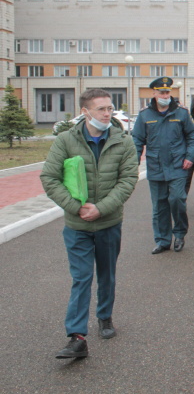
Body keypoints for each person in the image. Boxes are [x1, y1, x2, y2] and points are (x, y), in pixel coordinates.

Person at [41, 89, 139, 359]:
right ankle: (77, 336)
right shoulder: (65, 141)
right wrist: (76, 207)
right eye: (101, 109)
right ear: (85, 112)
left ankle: (105, 316)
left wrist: (102, 208)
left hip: (108, 222)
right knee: (82, 277)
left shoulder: (123, 141)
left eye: (109, 108)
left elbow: (128, 180)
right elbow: (49, 178)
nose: (107, 113)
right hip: (77, 225)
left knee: (106, 274)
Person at [132, 77, 194, 255]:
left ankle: (179, 234)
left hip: (178, 165)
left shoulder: (181, 113)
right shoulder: (145, 115)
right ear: (153, 93)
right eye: (161, 92)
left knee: (177, 200)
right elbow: (137, 139)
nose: (165, 95)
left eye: (167, 92)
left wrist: (190, 156)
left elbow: (192, 136)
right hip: (156, 165)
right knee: (159, 206)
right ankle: (162, 240)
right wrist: (135, 160)